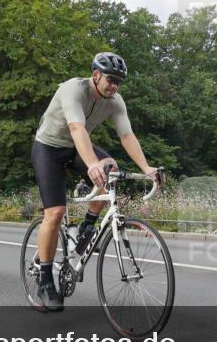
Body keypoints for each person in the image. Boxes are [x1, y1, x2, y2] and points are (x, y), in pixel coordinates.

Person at [30, 52, 163, 312]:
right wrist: (91, 164)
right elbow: (77, 130)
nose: (114, 86)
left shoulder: (116, 101)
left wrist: (147, 168)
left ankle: (87, 226)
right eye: (110, 80)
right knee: (55, 212)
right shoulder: (73, 89)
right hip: (49, 148)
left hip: (78, 147)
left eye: (119, 82)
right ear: (96, 75)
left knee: (111, 168)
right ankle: (45, 280)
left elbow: (127, 136)